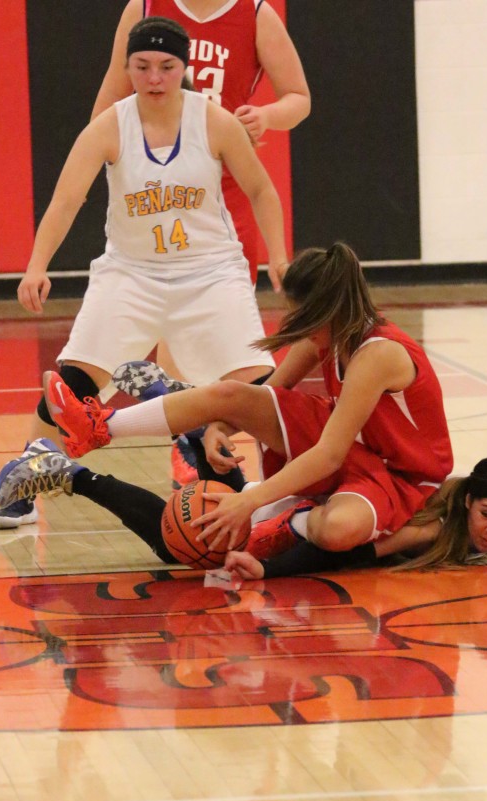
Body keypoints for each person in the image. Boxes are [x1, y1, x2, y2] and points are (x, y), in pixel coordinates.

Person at [0, 16, 287, 531]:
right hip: (131, 274)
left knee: (269, 393)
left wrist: (279, 257)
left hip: (209, 273)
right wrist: (37, 264)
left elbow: (260, 188)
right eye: (142, 66)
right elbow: (66, 200)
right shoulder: (109, 126)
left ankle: (289, 489)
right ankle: (25, 483)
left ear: (183, 67)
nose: (154, 77)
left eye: (166, 66)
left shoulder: (213, 121)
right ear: (126, 68)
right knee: (70, 387)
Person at [12, 243, 456, 560]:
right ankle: (100, 427)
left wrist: (251, 500)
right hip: (355, 455)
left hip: (392, 478)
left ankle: (281, 511)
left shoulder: (376, 354)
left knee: (221, 537)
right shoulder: (328, 335)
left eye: (301, 315)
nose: (295, 324)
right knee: (230, 395)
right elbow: (264, 397)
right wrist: (221, 428)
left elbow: (329, 453)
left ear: (327, 310)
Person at [93, 1, 311, 490]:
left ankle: (224, 442)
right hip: (160, 184)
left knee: (230, 335)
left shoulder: (254, 13)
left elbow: (299, 97)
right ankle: (186, 446)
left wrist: (267, 114)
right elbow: (106, 102)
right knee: (171, 319)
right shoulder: (146, 7)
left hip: (224, 182)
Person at [0, 450, 487, 577]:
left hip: (332, 501)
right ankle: (69, 472)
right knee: (184, 545)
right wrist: (265, 573)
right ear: (466, 500)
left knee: (204, 527)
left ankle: (189, 430)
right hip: (314, 522)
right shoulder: (428, 521)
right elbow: (345, 553)